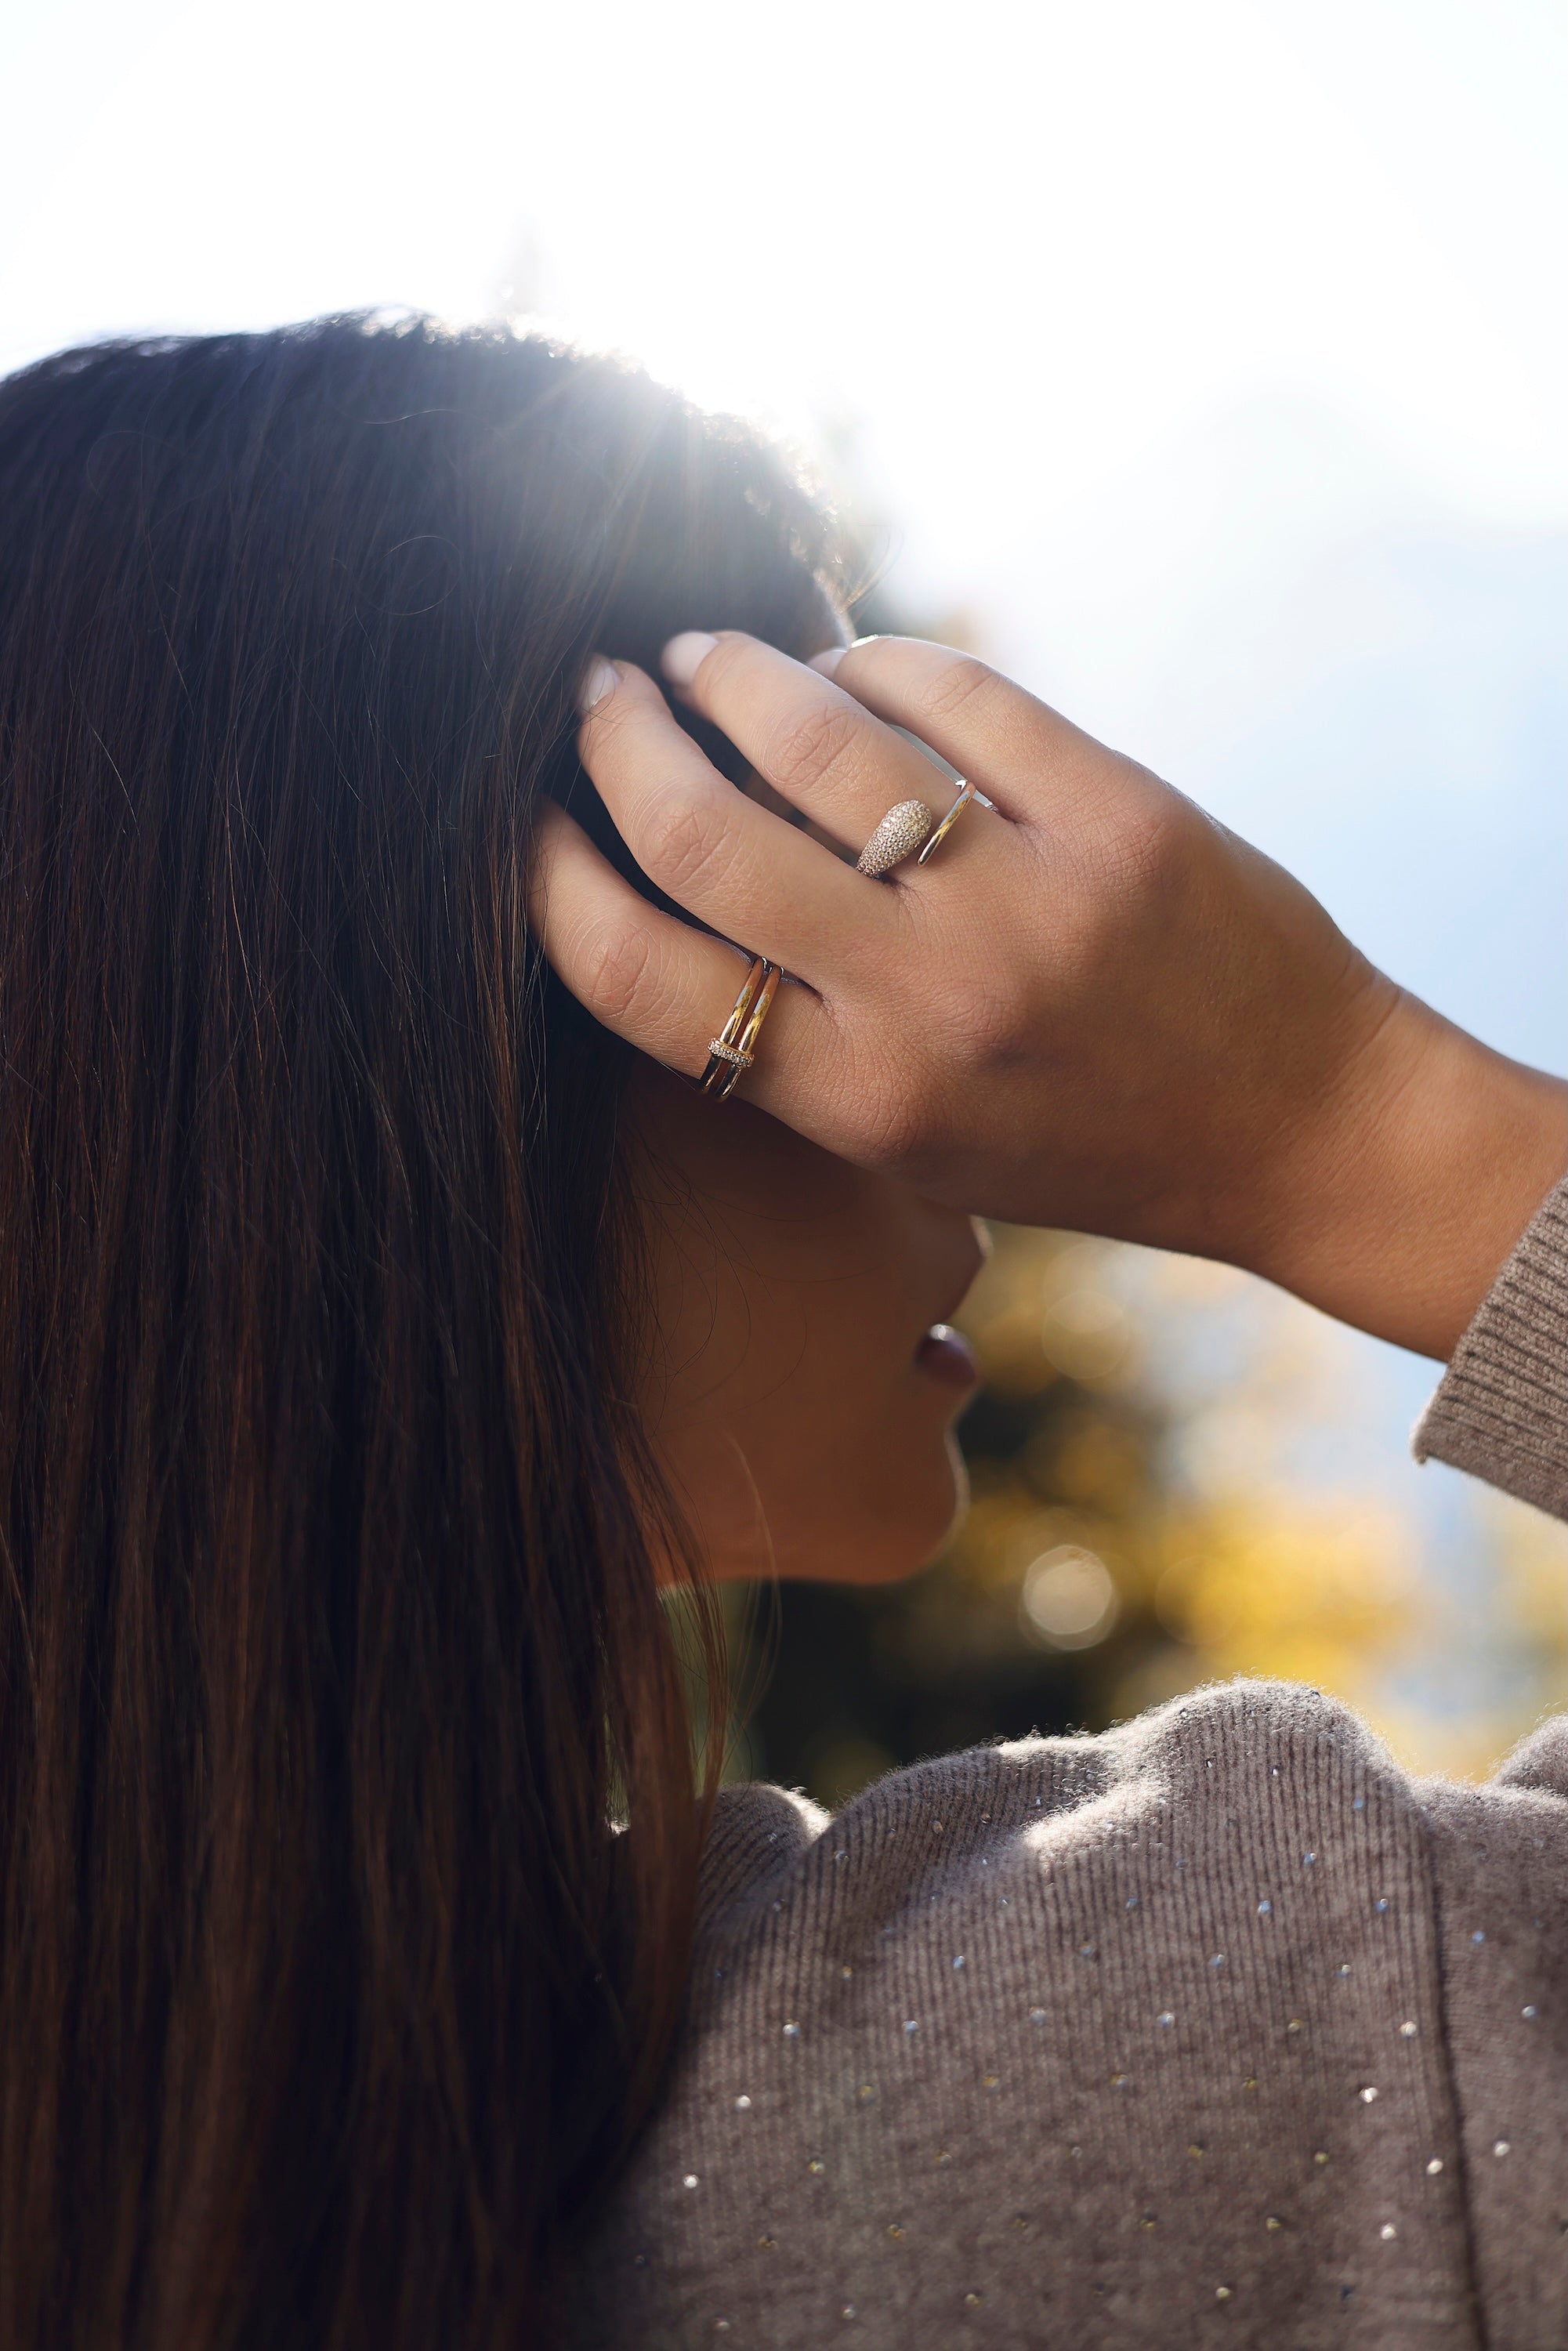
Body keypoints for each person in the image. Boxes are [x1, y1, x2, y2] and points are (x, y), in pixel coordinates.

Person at [0, 315, 1559, 2351]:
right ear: (532, 1018)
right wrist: (1348, 1121)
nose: (958, 1086)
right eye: (827, 898)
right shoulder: (1221, 2062)